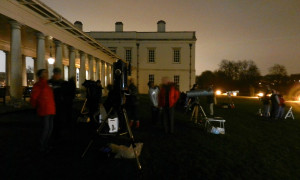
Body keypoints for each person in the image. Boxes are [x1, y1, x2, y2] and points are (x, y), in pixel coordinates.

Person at [30, 69, 55, 153]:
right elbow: (34, 97)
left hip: (50, 109)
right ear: (40, 75)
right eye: (45, 72)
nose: (47, 73)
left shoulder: (47, 84)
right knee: (45, 129)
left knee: (49, 129)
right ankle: (42, 146)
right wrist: (34, 107)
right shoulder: (39, 85)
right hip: (44, 109)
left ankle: (45, 144)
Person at [48, 67, 66, 140]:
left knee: (59, 120)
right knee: (52, 121)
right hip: (52, 103)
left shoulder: (62, 83)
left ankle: (57, 135)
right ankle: (53, 135)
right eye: (56, 74)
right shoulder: (50, 82)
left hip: (60, 105)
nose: (58, 75)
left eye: (58, 74)